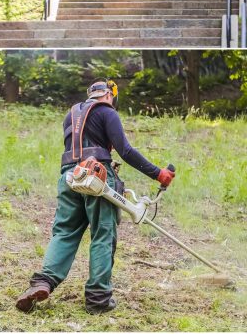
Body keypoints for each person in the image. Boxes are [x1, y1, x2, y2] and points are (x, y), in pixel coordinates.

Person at [15, 80, 175, 314]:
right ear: (109, 95)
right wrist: (159, 174)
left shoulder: (71, 115)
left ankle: (43, 282)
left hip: (70, 177)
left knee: (65, 232)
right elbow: (126, 151)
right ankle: (98, 298)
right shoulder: (107, 112)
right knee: (103, 233)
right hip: (97, 176)